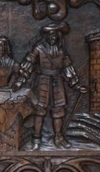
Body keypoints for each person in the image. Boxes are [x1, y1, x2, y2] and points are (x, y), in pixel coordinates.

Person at [14, 22, 87, 150]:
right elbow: (28, 63)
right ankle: (36, 139)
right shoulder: (39, 49)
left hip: (57, 82)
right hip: (42, 81)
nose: (52, 37)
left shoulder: (61, 51)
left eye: (54, 35)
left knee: (58, 111)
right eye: (50, 35)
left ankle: (58, 137)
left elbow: (68, 68)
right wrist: (20, 80)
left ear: (58, 36)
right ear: (46, 36)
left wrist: (76, 85)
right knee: (39, 111)